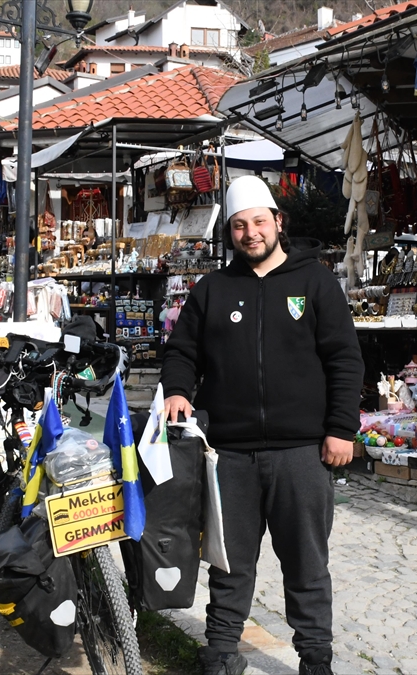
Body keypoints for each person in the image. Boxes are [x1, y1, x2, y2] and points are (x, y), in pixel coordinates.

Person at [161, 175, 363, 675]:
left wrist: (342, 428)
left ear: (278, 222)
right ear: (230, 233)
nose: (250, 233)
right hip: (228, 455)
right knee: (229, 565)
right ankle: (221, 655)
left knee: (307, 566)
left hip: (303, 454)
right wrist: (178, 391)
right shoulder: (212, 289)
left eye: (258, 222)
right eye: (238, 226)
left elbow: (345, 359)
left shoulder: (314, 281)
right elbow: (182, 352)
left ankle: (316, 660)